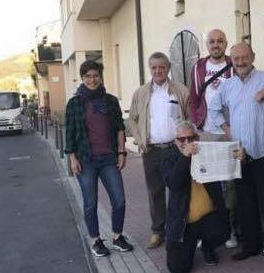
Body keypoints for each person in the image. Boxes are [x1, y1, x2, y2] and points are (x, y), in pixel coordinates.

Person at [208, 42, 264, 264]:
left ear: (253, 56)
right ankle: (251, 245)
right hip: (240, 154)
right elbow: (214, 109)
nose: (240, 62)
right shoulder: (227, 85)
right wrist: (227, 128)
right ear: (231, 60)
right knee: (246, 204)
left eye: (244, 57)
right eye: (236, 58)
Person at [65, 60, 134, 256]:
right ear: (82, 78)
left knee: (119, 200)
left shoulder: (110, 100)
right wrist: (72, 159)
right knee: (90, 202)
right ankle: (96, 240)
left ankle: (117, 237)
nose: (92, 79)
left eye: (95, 75)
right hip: (85, 160)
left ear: (101, 76)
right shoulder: (75, 103)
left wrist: (122, 152)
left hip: (108, 159)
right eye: (88, 76)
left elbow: (120, 127)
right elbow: (69, 133)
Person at [129, 52, 190, 249]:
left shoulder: (181, 91)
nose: (158, 71)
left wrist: (186, 143)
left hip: (176, 149)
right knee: (155, 192)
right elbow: (133, 120)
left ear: (168, 68)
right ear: (150, 69)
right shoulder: (141, 93)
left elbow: (190, 118)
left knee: (178, 190)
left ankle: (180, 228)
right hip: (152, 150)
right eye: (154, 67)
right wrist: (140, 140)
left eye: (161, 67)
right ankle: (157, 231)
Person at [188, 29, 237, 248]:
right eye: (212, 42)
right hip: (205, 131)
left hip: (228, 131)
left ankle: (231, 231)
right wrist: (195, 126)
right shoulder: (198, 67)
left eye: (219, 41)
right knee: (206, 183)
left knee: (230, 183)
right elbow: (193, 98)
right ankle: (205, 231)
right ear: (206, 45)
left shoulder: (234, 64)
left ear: (226, 43)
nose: (216, 45)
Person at [161, 121, 230, 273]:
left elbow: (229, 166)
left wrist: (241, 157)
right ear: (175, 141)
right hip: (184, 222)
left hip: (208, 216)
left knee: (222, 231)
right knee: (178, 269)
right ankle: (186, 245)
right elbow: (173, 183)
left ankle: (207, 246)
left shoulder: (206, 152)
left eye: (191, 138)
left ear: (197, 137)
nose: (187, 142)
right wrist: (185, 157)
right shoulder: (169, 158)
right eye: (182, 139)